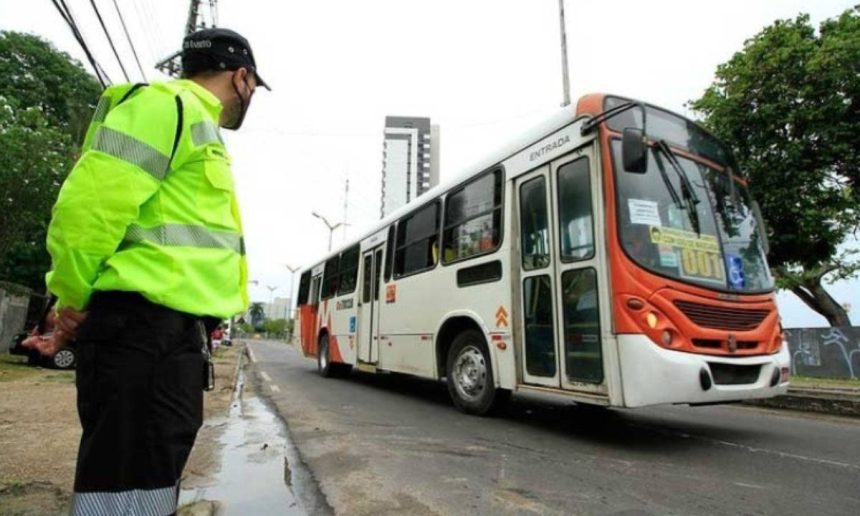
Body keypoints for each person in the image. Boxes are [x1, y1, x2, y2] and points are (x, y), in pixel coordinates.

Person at [28, 28, 269, 515]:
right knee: (120, 478)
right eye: (252, 87)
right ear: (241, 78)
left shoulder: (199, 128)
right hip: (141, 332)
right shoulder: (165, 106)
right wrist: (71, 300)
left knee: (151, 473)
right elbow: (88, 210)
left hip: (166, 337)